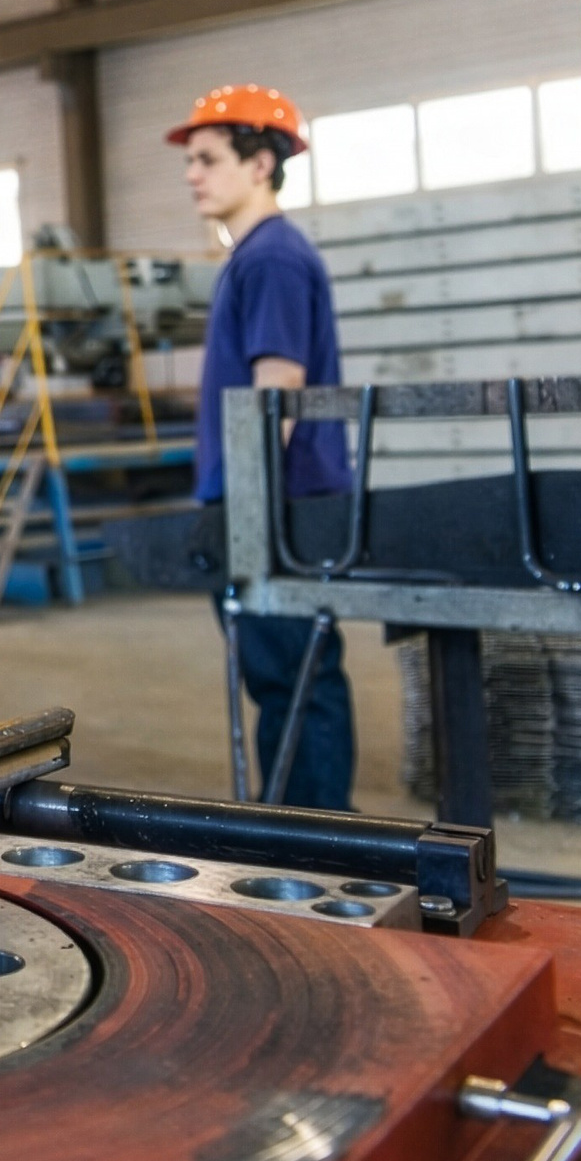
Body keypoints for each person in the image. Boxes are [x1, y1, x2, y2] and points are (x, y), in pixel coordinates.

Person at [173, 83, 356, 810]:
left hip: (276, 501)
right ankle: (308, 832)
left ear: (261, 163)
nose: (192, 173)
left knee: (295, 677)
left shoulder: (271, 258)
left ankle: (313, 844)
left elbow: (276, 388)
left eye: (207, 158)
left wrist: (250, 512)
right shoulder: (254, 255)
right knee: (289, 675)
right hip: (268, 497)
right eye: (190, 160)